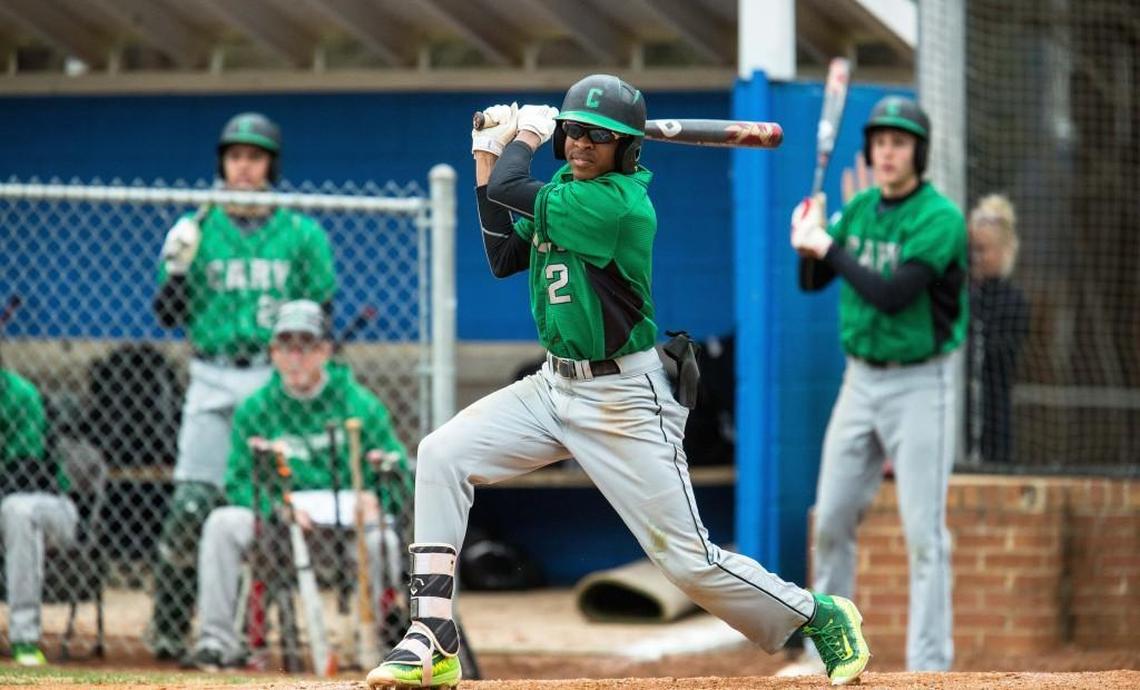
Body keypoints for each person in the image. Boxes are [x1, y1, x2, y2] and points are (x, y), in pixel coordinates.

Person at [365, 74, 870, 689]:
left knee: (687, 562)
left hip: (625, 401)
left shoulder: (619, 204)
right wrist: (485, 154)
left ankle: (819, 614)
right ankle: (430, 637)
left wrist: (520, 137)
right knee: (440, 453)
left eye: (598, 139)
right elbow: (502, 254)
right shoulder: (562, 191)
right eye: (575, 133)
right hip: (553, 389)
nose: (580, 145)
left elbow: (510, 187)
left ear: (626, 150)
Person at [147, 113, 338, 660]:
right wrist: (178, 269)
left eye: (255, 157)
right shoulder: (196, 228)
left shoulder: (301, 232)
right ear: (223, 164)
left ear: (270, 165)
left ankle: (258, 634)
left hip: (271, 375)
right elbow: (165, 316)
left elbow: (322, 315)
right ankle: (167, 631)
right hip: (210, 370)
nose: (244, 166)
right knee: (190, 505)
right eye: (235, 157)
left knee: (265, 508)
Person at [788, 95, 967, 672]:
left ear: (919, 151)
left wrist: (830, 246)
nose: (888, 152)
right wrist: (808, 236)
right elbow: (812, 281)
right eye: (881, 143)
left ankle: (930, 668)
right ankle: (828, 657)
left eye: (900, 143)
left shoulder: (940, 218)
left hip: (922, 384)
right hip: (859, 381)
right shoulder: (860, 207)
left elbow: (892, 295)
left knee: (924, 536)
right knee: (833, 521)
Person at [184, 299, 410, 670]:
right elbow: (237, 481)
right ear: (272, 353)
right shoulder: (255, 408)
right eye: (285, 346)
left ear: (324, 351)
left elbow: (396, 468)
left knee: (382, 539)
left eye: (305, 346)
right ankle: (217, 643)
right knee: (222, 524)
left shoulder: (360, 404)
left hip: (346, 530)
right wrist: (277, 506)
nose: (295, 358)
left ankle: (378, 642)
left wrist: (378, 498)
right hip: (280, 528)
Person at [0, 365, 77, 666]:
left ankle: (24, 638)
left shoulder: (20, 395)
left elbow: (26, 474)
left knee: (17, 510)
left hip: (46, 506)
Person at [966, 194, 1029, 464]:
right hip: (962, 407)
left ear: (1004, 251)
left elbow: (1001, 352)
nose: (976, 257)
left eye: (984, 249)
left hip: (993, 409)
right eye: (973, 249)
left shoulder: (1013, 299)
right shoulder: (962, 292)